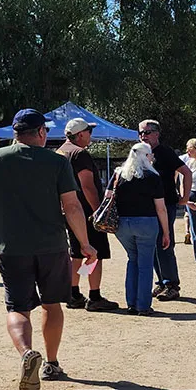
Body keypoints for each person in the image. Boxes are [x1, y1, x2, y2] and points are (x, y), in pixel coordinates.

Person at [0, 109, 98, 390]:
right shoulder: (56, 161)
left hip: (11, 247)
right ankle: (51, 363)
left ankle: (26, 353)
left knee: (18, 308)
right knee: (52, 305)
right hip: (52, 246)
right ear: (41, 132)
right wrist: (85, 243)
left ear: (16, 133)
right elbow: (72, 206)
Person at [57, 119, 118, 312]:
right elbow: (88, 185)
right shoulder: (79, 153)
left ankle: (73, 294)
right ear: (81, 134)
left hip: (69, 211)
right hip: (86, 212)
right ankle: (94, 295)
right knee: (95, 253)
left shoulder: (60, 152)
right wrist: (98, 211)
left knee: (76, 253)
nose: (91, 136)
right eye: (89, 132)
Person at [111, 142, 173, 316]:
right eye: (150, 155)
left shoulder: (119, 174)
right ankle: (143, 305)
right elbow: (161, 208)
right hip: (146, 223)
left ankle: (131, 303)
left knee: (133, 260)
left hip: (122, 224)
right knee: (145, 265)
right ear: (146, 156)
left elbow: (108, 197)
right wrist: (166, 232)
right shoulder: (153, 177)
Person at [137, 120, 191, 301]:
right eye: (141, 133)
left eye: (148, 132)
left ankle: (172, 285)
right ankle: (161, 281)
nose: (144, 135)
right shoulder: (140, 153)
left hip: (166, 204)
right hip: (147, 207)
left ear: (157, 133)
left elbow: (187, 172)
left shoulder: (165, 152)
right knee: (151, 245)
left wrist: (184, 197)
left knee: (165, 244)